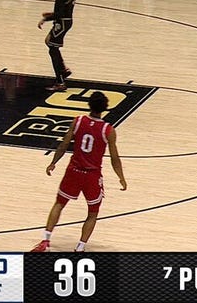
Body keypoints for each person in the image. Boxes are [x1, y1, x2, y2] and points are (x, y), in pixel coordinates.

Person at [31, 91, 127, 253]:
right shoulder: (108, 130)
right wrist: (121, 177)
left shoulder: (78, 121)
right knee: (93, 213)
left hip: (73, 171)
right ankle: (80, 247)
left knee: (59, 204)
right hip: (92, 175)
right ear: (105, 108)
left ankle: (45, 240)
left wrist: (53, 162)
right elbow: (114, 158)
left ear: (89, 105)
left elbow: (64, 144)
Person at [38, 0, 78, 91]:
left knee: (53, 49)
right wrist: (51, 14)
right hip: (67, 20)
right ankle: (63, 70)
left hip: (62, 22)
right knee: (49, 42)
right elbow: (64, 9)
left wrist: (46, 18)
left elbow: (59, 13)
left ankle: (60, 81)